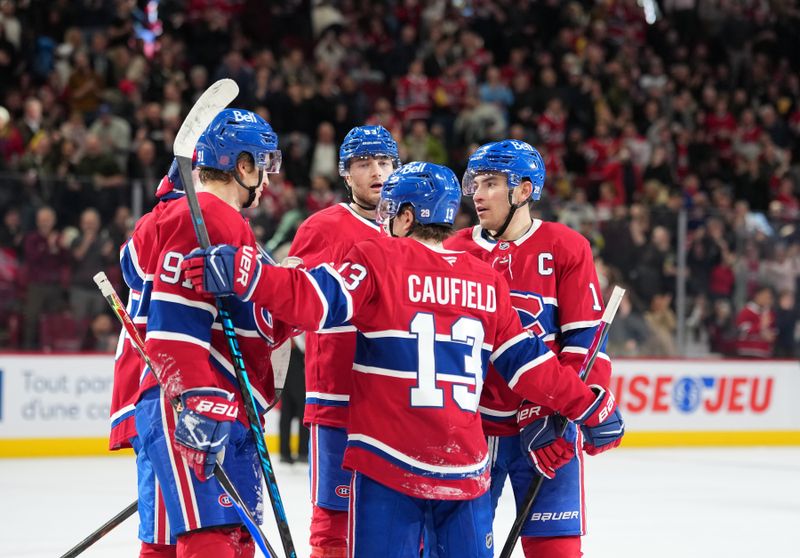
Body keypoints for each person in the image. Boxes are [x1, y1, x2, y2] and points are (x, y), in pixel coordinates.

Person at [181, 161, 625, 558]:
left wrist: (248, 274)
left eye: (387, 215)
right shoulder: (485, 280)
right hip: (465, 470)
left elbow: (311, 302)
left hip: (388, 465)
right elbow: (530, 364)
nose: (381, 225)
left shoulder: (378, 257)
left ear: (407, 216)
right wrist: (589, 405)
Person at [445, 140, 613, 558]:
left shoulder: (566, 247)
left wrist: (554, 414)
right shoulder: (454, 251)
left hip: (543, 432)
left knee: (555, 551)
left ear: (523, 190)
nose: (477, 195)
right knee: (457, 550)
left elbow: (585, 342)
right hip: (469, 432)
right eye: (475, 184)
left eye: (490, 184)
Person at [136, 108, 292, 558]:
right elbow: (175, 326)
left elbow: (262, 324)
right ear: (242, 165)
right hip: (202, 400)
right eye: (262, 166)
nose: (265, 180)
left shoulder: (223, 222)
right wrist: (197, 398)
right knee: (214, 537)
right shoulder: (205, 215)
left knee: (231, 537)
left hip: (222, 402)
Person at [286, 124, 400, 557]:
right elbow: (298, 309)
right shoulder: (323, 227)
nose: (378, 172)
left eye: (385, 162)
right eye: (365, 164)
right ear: (346, 174)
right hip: (338, 397)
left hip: (397, 401)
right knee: (334, 518)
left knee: (402, 518)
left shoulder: (410, 227)